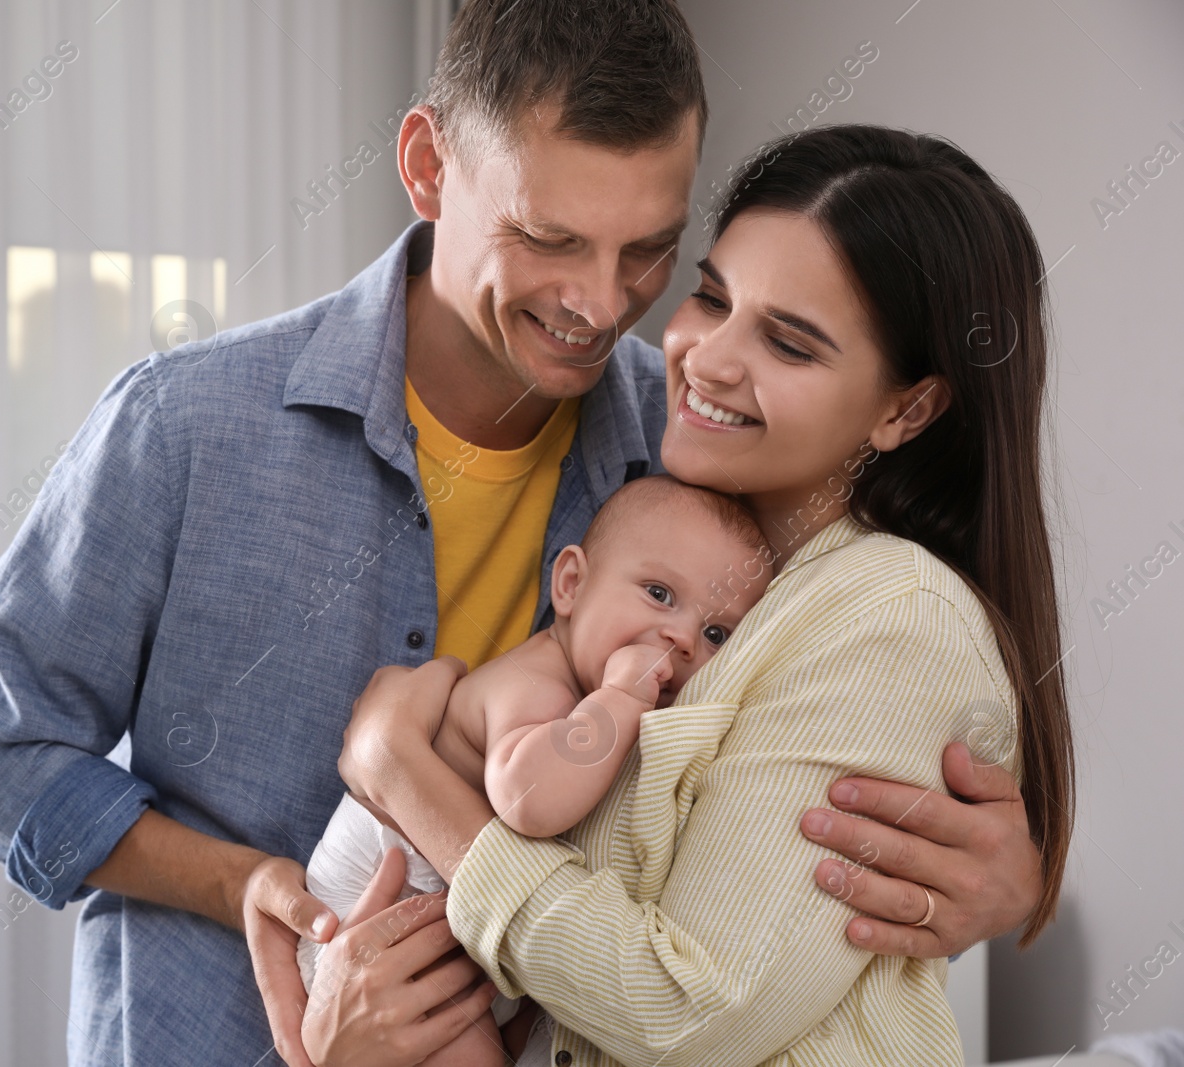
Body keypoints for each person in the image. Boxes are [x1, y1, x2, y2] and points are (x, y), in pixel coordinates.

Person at [0, 2, 1046, 1063]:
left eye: (649, 251)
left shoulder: (696, 447)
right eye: (549, 238)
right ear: (426, 168)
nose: (601, 305)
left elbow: (785, 802)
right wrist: (247, 884)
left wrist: (998, 885)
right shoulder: (187, 426)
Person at [327, 123, 1075, 1066]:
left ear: (906, 408)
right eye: (711, 297)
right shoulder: (694, 545)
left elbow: (690, 1011)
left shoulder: (891, 616)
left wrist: (398, 766)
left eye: (790, 344)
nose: (706, 359)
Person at [296, 476, 773, 1064]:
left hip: (455, 924)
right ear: (571, 584)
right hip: (380, 902)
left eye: (715, 633)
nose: (680, 638)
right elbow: (528, 800)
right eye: (658, 593)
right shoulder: (540, 686)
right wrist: (620, 698)